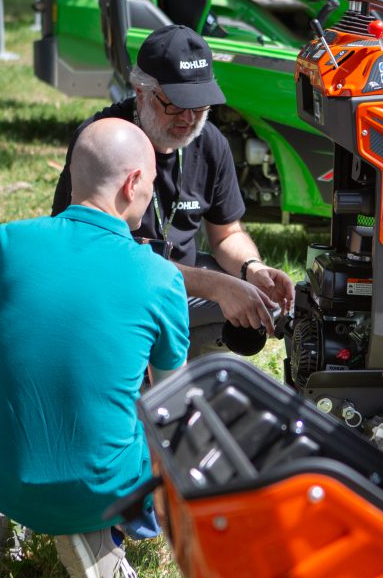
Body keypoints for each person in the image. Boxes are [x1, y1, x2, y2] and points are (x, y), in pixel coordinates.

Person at [0, 118, 190, 578]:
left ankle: (4, 516)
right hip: (96, 490)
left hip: (1, 473)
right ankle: (95, 534)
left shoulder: (8, 244)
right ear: (133, 183)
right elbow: (175, 410)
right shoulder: (160, 277)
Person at [52, 24, 294, 357]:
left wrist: (252, 269)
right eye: (176, 105)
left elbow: (226, 234)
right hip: (116, 294)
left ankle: (174, 363)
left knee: (266, 303)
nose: (189, 119)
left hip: (178, 287)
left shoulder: (210, 143)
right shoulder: (104, 142)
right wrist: (218, 286)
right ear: (140, 91)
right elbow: (104, 259)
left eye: (200, 106)